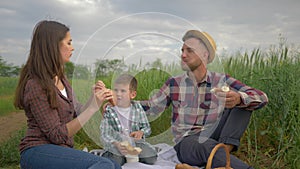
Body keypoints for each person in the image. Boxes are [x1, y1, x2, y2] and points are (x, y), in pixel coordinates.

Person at [140, 30, 268, 169]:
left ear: (204, 54)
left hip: (215, 137)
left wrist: (239, 98)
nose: (183, 55)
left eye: (189, 51)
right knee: (204, 145)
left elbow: (261, 97)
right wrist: (122, 101)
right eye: (182, 50)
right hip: (187, 141)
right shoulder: (174, 83)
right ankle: (220, 159)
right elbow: (151, 107)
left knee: (244, 103)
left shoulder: (221, 80)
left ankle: (220, 154)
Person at [14, 20, 121, 169]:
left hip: (61, 150)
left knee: (114, 165)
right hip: (37, 151)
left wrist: (94, 99)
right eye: (69, 43)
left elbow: (77, 113)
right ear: (53, 46)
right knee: (102, 164)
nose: (73, 47)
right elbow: (57, 135)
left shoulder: (61, 79)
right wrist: (93, 108)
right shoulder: (36, 85)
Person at [100, 74, 157, 166]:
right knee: (114, 161)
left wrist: (141, 132)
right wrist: (116, 143)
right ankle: (116, 158)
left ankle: (130, 159)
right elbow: (105, 134)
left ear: (132, 94)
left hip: (135, 144)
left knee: (151, 157)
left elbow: (147, 128)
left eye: (123, 91)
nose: (118, 94)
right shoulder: (109, 110)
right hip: (117, 146)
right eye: (116, 90)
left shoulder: (137, 108)